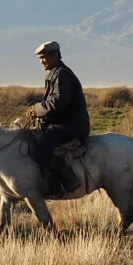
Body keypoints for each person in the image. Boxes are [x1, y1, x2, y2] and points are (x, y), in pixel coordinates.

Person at [28, 40, 91, 195]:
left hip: (71, 127)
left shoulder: (62, 75)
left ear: (55, 56)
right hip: (64, 123)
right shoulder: (55, 73)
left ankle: (67, 182)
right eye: (40, 58)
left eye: (44, 57)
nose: (42, 61)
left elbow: (58, 103)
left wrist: (37, 109)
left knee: (39, 152)